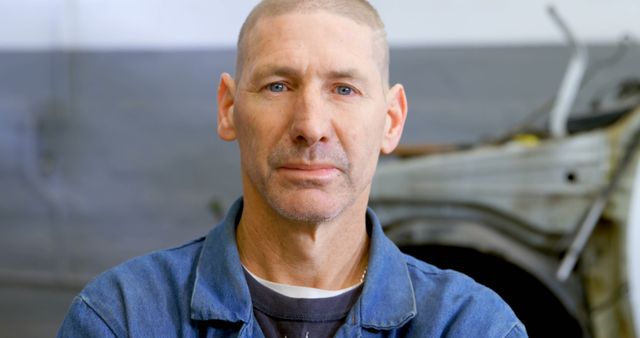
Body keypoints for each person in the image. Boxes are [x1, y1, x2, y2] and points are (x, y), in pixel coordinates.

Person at [57, 0, 527, 337]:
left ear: (391, 120)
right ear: (228, 108)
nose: (310, 126)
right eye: (279, 86)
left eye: (344, 89)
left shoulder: (471, 325)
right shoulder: (121, 318)